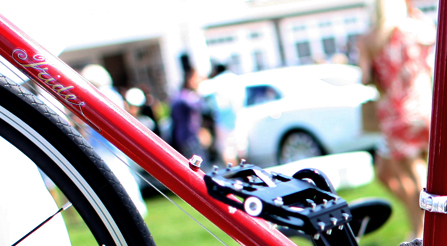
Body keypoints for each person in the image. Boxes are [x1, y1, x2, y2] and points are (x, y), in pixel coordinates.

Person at [357, 0, 436, 239]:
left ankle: (424, 228)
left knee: (414, 173)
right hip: (424, 107)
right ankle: (422, 226)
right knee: (417, 171)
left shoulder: (369, 39)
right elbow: (433, 47)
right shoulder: (414, 29)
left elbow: (365, 78)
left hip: (395, 113)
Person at [80, 64, 147, 217]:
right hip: (110, 146)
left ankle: (129, 210)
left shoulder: (99, 95)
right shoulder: (112, 94)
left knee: (116, 179)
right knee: (121, 177)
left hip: (105, 147)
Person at [170, 68, 210, 168]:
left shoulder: (181, 95)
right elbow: (200, 105)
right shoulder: (185, 96)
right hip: (188, 138)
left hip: (187, 137)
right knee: (198, 168)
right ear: (190, 79)